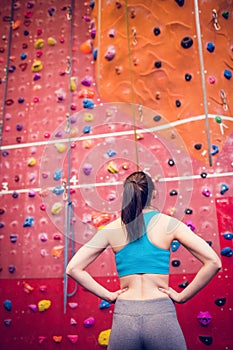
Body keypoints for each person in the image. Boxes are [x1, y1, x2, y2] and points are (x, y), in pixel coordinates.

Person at [66, 171, 222, 350]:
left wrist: (107, 296)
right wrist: (182, 296)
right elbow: (214, 262)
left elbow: (73, 268)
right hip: (160, 315)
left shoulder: (112, 229)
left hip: (125, 316)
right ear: (154, 194)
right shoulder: (168, 224)